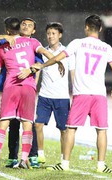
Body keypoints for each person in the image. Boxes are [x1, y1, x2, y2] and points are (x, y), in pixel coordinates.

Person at [32, 15, 112, 173]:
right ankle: (101, 166)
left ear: (86, 27)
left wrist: (43, 65)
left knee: (71, 128)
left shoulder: (77, 43)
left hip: (82, 94)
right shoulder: (107, 47)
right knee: (101, 130)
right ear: (100, 29)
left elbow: (58, 58)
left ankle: (64, 163)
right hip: (99, 95)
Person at [0, 17, 56, 169]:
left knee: (4, 121)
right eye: (24, 24)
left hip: (10, 86)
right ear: (20, 28)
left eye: (29, 25)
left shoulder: (3, 46)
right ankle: (23, 159)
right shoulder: (33, 43)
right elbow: (45, 54)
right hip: (28, 87)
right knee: (27, 123)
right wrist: (57, 61)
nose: (26, 27)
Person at [35, 22, 75, 164]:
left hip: (62, 98)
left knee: (64, 130)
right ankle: (40, 154)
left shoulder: (67, 53)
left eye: (53, 33)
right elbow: (38, 71)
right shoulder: (42, 51)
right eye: (48, 33)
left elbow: (72, 74)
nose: (50, 36)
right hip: (44, 95)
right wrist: (34, 87)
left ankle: (63, 159)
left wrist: (75, 93)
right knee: (38, 125)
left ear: (60, 35)